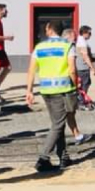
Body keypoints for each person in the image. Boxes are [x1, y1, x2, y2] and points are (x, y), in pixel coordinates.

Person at [25, 21, 79, 173]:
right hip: (62, 89)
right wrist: (75, 88)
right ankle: (43, 158)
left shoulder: (39, 47)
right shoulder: (68, 46)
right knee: (58, 124)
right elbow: (72, 70)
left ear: (49, 30)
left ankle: (63, 157)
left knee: (58, 122)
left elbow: (31, 70)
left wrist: (29, 90)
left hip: (46, 89)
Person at [74, 25, 95, 99]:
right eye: (89, 33)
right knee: (85, 84)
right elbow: (85, 56)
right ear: (84, 33)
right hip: (83, 67)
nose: (90, 35)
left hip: (79, 66)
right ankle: (82, 100)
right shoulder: (82, 42)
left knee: (83, 84)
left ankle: (80, 99)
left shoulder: (79, 40)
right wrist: (93, 68)